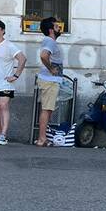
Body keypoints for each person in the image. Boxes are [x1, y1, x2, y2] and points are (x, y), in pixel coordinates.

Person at [36, 17, 63, 147]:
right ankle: (42, 139)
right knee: (46, 109)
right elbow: (43, 55)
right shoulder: (50, 41)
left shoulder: (50, 41)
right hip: (49, 81)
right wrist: (51, 68)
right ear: (51, 30)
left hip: (50, 80)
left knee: (48, 109)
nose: (59, 28)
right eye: (57, 26)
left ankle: (43, 137)